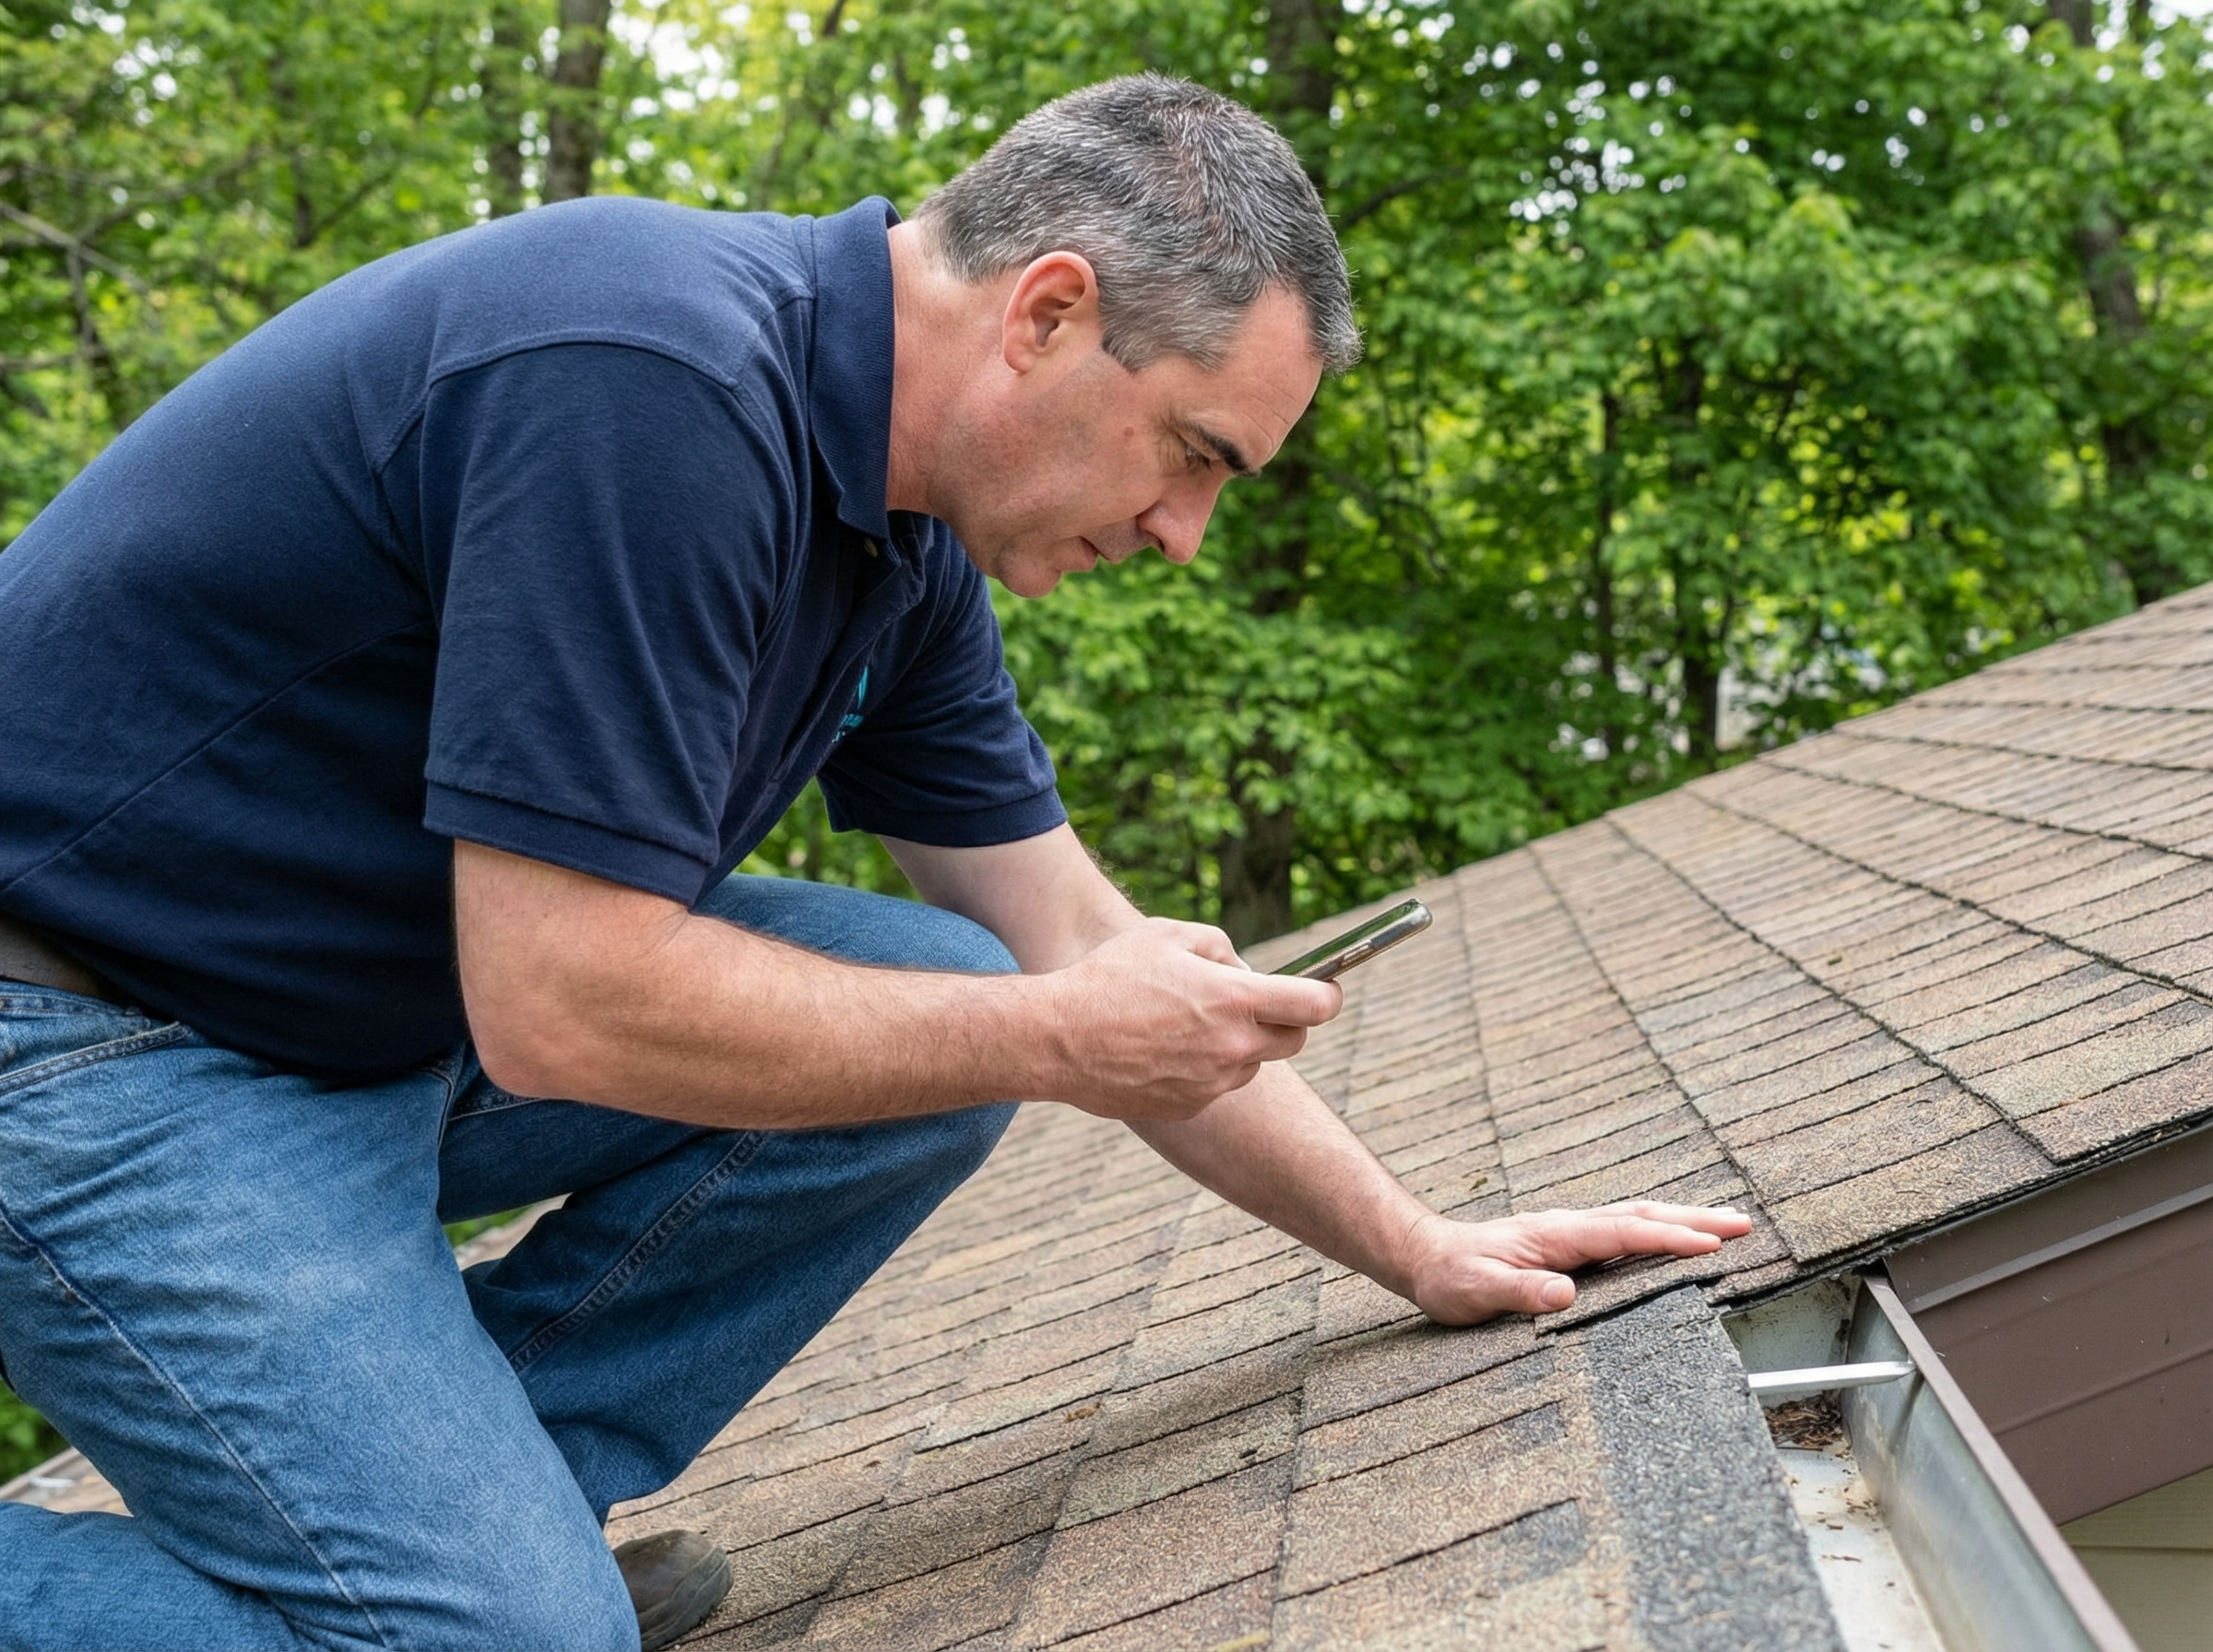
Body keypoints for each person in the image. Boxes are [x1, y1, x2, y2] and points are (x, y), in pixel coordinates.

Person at [0, 74, 1748, 1650]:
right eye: (1195, 456)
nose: (1181, 536)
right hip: (84, 1046)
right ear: (1050, 312)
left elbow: (1070, 942)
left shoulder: (903, 555)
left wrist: (1422, 1247)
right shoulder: (651, 380)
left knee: (947, 1000)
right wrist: (1066, 1037)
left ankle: (476, 1519)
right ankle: (453, 1597)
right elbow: (562, 1003)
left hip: (346, 1017)